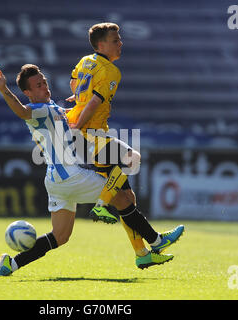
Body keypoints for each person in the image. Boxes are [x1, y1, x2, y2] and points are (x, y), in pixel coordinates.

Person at [0, 64, 180, 275]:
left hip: (56, 181)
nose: (44, 86)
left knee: (60, 236)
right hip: (71, 175)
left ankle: (11, 264)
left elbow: (70, 117)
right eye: (38, 85)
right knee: (123, 198)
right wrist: (3, 89)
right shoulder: (38, 110)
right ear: (28, 92)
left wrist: (82, 104)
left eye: (44, 82)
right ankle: (156, 241)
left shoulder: (53, 109)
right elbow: (22, 111)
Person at [65, 22, 184, 267]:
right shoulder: (111, 72)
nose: (121, 43)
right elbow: (95, 103)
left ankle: (143, 254)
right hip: (93, 134)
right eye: (115, 40)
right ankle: (100, 205)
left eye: (119, 39)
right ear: (101, 44)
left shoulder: (85, 61)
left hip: (87, 135)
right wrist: (80, 123)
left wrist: (77, 99)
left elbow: (74, 83)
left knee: (127, 197)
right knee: (133, 158)